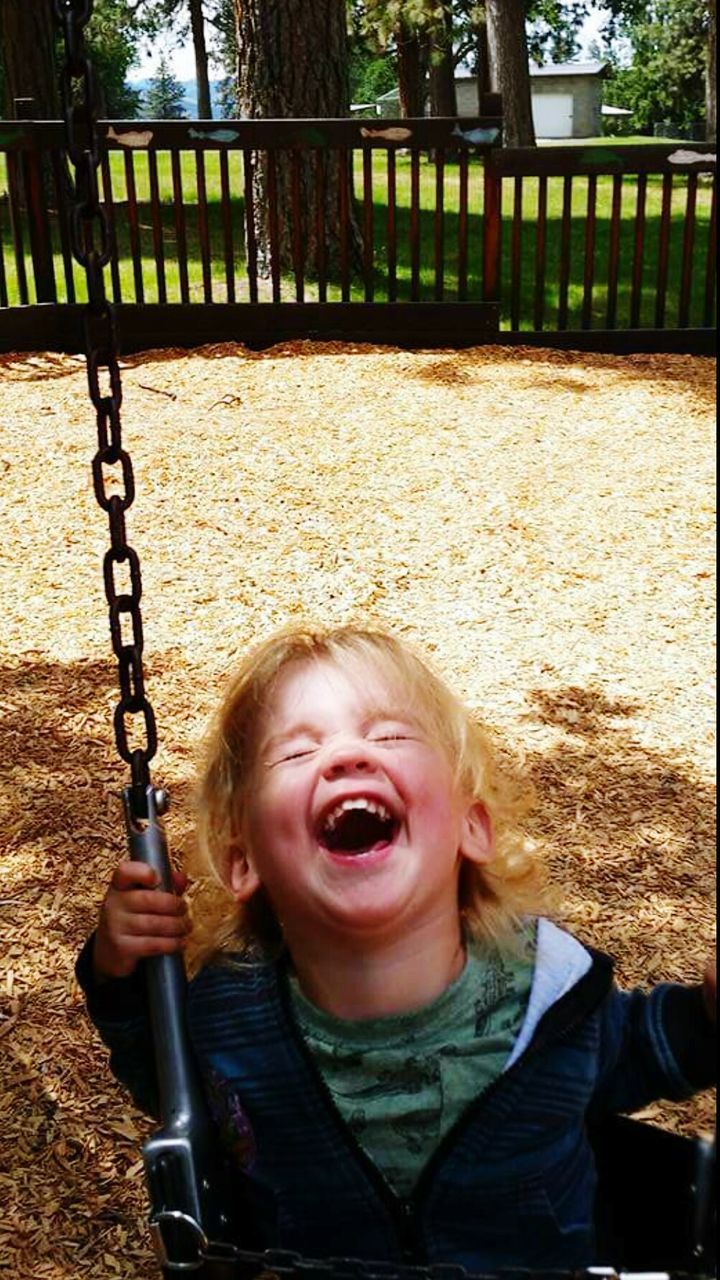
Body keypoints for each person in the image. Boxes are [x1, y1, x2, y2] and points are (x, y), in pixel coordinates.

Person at [76, 625, 717, 1271]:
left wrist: (710, 1016)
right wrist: (122, 974)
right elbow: (169, 1083)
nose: (347, 757)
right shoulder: (234, 1016)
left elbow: (638, 1048)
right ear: (245, 863)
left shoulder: (545, 992)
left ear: (472, 827)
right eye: (297, 753)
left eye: (388, 736)